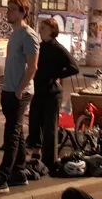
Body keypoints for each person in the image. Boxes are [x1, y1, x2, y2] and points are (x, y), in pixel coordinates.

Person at [0, 0, 40, 195]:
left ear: (23, 13)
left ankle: (2, 178)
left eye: (13, 9)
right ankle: (19, 173)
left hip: (19, 92)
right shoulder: (14, 34)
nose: (8, 12)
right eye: (8, 9)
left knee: (11, 135)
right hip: (9, 90)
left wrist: (19, 90)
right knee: (18, 134)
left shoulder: (29, 35)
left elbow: (33, 67)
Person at [28, 18, 78, 170]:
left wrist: (56, 74)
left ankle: (50, 161)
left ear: (51, 30)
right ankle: (35, 155)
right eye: (40, 28)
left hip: (52, 93)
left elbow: (73, 67)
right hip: (38, 91)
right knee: (35, 123)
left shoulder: (57, 48)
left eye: (43, 28)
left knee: (50, 128)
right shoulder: (40, 46)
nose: (40, 30)